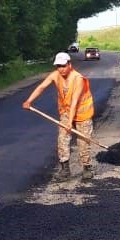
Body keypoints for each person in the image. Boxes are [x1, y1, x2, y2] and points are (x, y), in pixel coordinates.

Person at [23, 51, 95, 180]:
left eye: (63, 66)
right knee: (62, 139)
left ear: (69, 64)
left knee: (83, 141)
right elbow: (41, 87)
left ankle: (87, 168)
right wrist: (29, 101)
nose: (61, 69)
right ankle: (65, 170)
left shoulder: (77, 78)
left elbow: (74, 101)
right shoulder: (55, 75)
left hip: (82, 112)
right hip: (67, 111)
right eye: (58, 66)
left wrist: (69, 122)